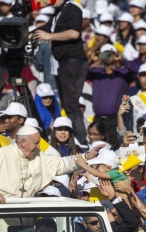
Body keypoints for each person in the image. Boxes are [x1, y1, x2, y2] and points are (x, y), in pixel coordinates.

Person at [0, 125, 104, 201]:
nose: (39, 146)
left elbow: (62, 164)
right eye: (36, 143)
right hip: (0, 212)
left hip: (26, 214)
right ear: (23, 143)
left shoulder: (38, 156)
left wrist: (87, 156)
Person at [34, 0, 88, 144]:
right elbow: (44, 29)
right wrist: (25, 35)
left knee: (71, 106)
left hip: (74, 62)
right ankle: (76, 142)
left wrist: (49, 37)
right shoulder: (58, 12)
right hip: (64, 63)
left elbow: (74, 33)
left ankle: (81, 144)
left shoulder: (72, 8)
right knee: (68, 105)